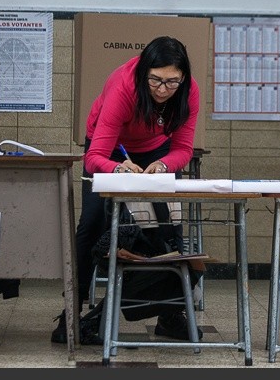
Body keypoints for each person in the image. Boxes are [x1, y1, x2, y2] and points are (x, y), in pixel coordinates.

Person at [51, 35, 202, 344]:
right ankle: (70, 316)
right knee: (92, 224)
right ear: (144, 71)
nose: (163, 90)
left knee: (167, 229)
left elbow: (184, 149)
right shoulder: (124, 86)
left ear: (183, 78)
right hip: (110, 150)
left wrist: (164, 164)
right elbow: (93, 159)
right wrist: (119, 168)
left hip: (156, 152)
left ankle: (171, 315)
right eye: (156, 80)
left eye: (172, 82)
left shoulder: (188, 93)